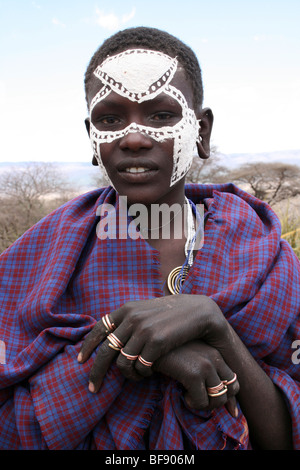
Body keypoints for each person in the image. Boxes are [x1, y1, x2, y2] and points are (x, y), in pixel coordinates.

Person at [0, 26, 299, 451]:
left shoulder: (266, 256)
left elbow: (287, 435)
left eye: (161, 115)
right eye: (110, 119)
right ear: (92, 138)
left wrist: (216, 327)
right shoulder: (42, 255)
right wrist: (149, 354)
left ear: (201, 131)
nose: (134, 137)